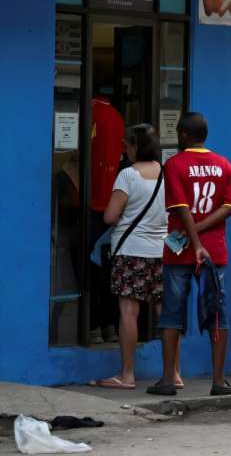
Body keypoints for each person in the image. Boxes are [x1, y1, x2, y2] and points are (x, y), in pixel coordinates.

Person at [147, 112, 231, 397]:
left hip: (180, 253)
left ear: (183, 135)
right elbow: (229, 206)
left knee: (172, 314)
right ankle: (219, 381)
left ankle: (168, 380)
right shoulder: (224, 165)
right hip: (215, 251)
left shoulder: (174, 164)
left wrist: (192, 236)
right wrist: (201, 235)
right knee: (217, 313)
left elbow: (181, 207)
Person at [98, 124, 170, 390]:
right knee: (166, 312)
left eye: (126, 144)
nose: (124, 149)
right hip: (162, 251)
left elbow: (110, 216)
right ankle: (173, 372)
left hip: (131, 251)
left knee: (129, 311)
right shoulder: (166, 174)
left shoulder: (127, 175)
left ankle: (127, 374)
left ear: (135, 146)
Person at [89, 96, 126, 344]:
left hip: (94, 206)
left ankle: (93, 325)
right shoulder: (115, 117)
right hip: (115, 215)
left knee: (92, 272)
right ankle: (110, 326)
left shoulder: (89, 114)